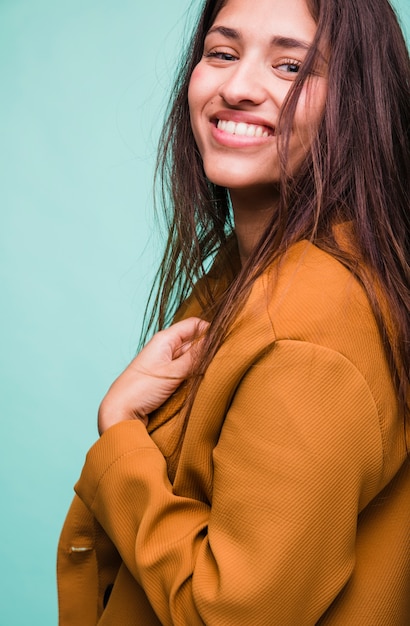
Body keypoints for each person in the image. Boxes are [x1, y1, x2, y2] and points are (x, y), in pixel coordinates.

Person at [57, 0, 410, 623]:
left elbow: (231, 615)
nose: (238, 88)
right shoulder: (251, 273)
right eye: (221, 53)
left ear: (360, 100)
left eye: (292, 66)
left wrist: (120, 434)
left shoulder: (306, 333)